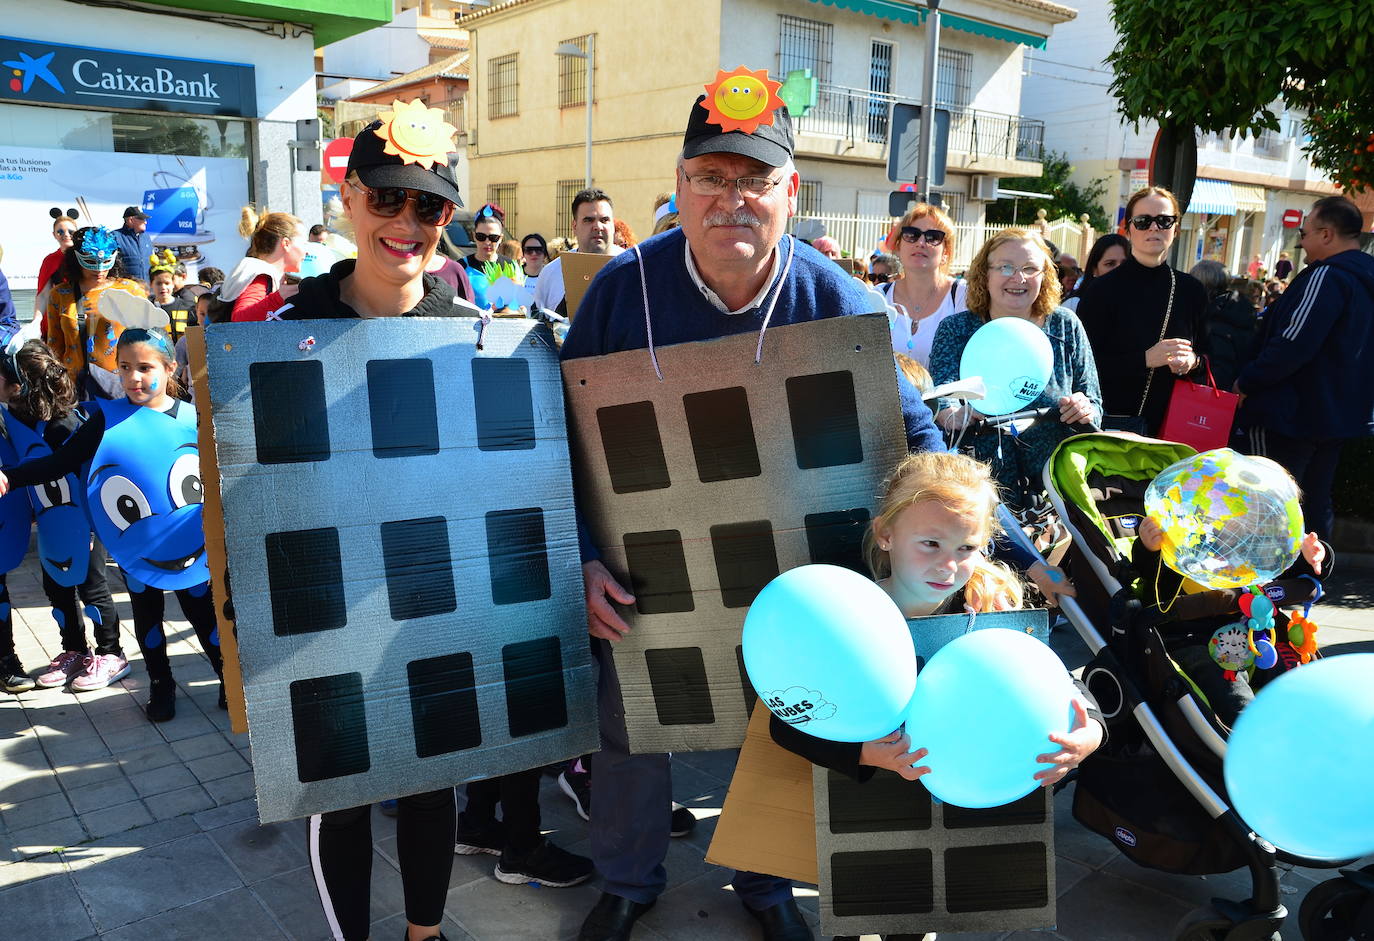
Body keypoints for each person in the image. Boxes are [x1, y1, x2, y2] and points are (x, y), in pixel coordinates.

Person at [563, 81, 944, 941]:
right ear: (678, 185)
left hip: (794, 574)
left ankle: (768, 885)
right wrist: (583, 556)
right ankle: (626, 878)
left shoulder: (842, 302)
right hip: (647, 573)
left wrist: (964, 532)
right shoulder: (621, 293)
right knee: (631, 735)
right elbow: (559, 441)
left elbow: (918, 438)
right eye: (710, 177)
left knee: (783, 724)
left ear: (791, 192)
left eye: (755, 180)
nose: (731, 199)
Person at [260, 106, 595, 939]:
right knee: (338, 801)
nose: (406, 224)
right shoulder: (280, 335)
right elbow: (250, 493)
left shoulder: (479, 339)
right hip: (321, 608)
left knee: (429, 781)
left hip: (435, 600)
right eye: (386, 199)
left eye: (430, 207)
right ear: (347, 197)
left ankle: (425, 933)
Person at [771, 451, 1104, 941]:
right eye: (930, 543)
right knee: (857, 916)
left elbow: (1059, 683)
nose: (948, 565)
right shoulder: (844, 618)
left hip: (960, 822)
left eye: (967, 547)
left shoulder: (989, 611)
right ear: (886, 534)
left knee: (912, 925)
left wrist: (1091, 730)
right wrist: (862, 753)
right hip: (866, 819)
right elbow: (786, 721)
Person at [0, 327, 221, 722]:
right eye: (124, 368)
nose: (133, 378)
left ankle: (228, 679)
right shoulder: (105, 420)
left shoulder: (194, 417)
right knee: (148, 618)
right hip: (137, 548)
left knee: (205, 616)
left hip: (193, 543)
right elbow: (61, 462)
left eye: (144, 367)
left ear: (170, 367)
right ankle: (161, 683)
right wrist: (12, 477)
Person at [928, 228, 1101, 511]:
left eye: (1030, 268)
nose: (1018, 278)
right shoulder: (957, 330)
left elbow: (1094, 402)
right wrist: (951, 414)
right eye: (1006, 267)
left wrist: (1084, 408)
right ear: (985, 274)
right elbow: (940, 398)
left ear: (1045, 275)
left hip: (1057, 491)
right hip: (978, 491)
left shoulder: (1065, 326)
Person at [1233, 195, 1374, 541]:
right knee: (1314, 500)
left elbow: (1292, 344)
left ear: (1327, 235)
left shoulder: (1327, 275)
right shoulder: (1363, 277)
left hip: (1290, 414)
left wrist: (1245, 382)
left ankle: (1268, 586)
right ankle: (1309, 579)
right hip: (1337, 416)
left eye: (1305, 232)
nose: (1302, 241)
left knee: (1268, 501)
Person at [0, 338, 125, 693]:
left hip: (83, 519)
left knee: (92, 585)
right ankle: (74, 649)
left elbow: (80, 469)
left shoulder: (65, 424)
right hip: (52, 520)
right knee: (56, 584)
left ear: (18, 384)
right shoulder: (18, 419)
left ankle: (111, 652)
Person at [1133, 508, 1328, 727]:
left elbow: (1290, 572)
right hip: (1193, 638)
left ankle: (1308, 723)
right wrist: (1149, 548)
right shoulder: (1182, 539)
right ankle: (1253, 734)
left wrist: (1310, 558)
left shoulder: (1255, 543)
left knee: (1291, 674)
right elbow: (1149, 574)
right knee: (1231, 690)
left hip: (1254, 634)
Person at [1075, 187, 1207, 435]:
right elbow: (1082, 368)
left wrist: (1193, 362)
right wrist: (1145, 359)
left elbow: (1213, 357)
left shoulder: (1192, 290)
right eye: (1144, 221)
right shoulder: (1102, 290)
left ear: (1176, 229)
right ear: (1128, 229)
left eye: (1164, 221)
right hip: (1112, 426)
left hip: (1176, 427)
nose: (1154, 228)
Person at [44, 226, 148, 397]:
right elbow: (54, 346)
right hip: (74, 388)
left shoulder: (131, 290)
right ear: (76, 259)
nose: (99, 269)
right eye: (91, 262)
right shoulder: (59, 294)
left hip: (122, 386)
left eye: (106, 261)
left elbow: (148, 340)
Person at [879, 202, 967, 366]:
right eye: (911, 234)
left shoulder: (962, 296)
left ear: (946, 253)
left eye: (933, 237)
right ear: (898, 247)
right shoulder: (878, 297)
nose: (920, 242)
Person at [532, 189, 624, 315]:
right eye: (588, 220)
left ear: (613, 225)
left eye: (604, 220)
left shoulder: (633, 267)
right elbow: (538, 324)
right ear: (574, 227)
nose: (597, 226)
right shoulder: (551, 273)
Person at [224, 208, 307, 322]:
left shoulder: (257, 270)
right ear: (286, 243)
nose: (307, 251)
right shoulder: (261, 273)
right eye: (304, 243)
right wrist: (279, 298)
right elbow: (240, 319)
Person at [1189, 259, 1256, 392]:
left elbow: (1218, 365)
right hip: (1234, 390)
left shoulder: (1213, 316)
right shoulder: (1240, 309)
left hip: (1206, 394)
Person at [1060, 233, 1128, 312]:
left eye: (1125, 263)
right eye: (1110, 264)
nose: (1119, 269)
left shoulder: (1140, 304)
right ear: (1094, 269)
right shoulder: (1073, 306)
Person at [459, 203, 506, 310]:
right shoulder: (461, 267)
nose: (487, 242)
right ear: (473, 236)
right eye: (481, 237)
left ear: (501, 238)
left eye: (493, 237)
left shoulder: (511, 266)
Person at [148, 250, 198, 343]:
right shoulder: (146, 308)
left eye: (167, 283)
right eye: (158, 283)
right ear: (151, 284)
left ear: (172, 284)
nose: (163, 287)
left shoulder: (188, 307)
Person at [112, 206, 154, 285]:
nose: (145, 222)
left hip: (148, 289)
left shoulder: (146, 237)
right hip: (127, 290)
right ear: (130, 220)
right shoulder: (115, 236)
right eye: (142, 219)